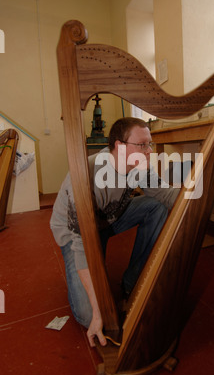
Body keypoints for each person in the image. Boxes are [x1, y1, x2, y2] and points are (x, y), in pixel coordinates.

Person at [50, 117, 179, 348]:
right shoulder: (85, 176)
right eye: (142, 145)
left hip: (107, 220)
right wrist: (99, 311)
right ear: (120, 147)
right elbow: (81, 242)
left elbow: (164, 195)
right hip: (75, 234)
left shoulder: (140, 166)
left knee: (155, 207)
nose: (149, 151)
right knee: (90, 315)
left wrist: (195, 194)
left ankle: (131, 282)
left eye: (150, 144)